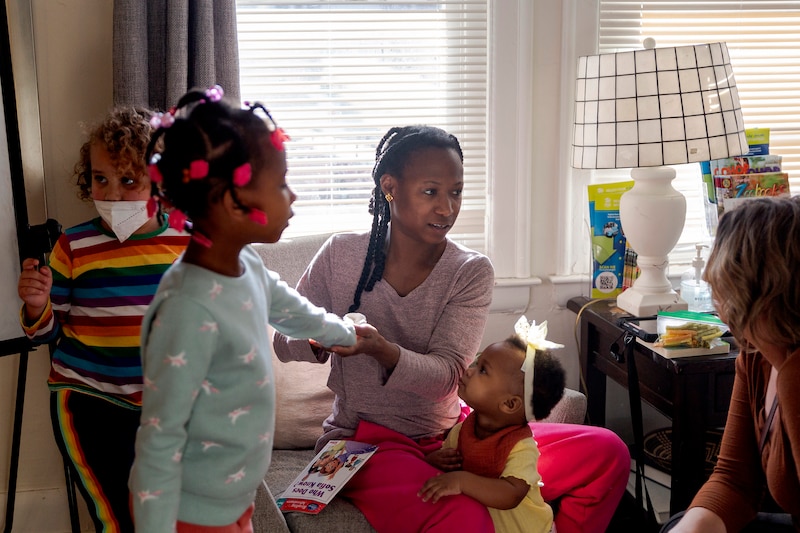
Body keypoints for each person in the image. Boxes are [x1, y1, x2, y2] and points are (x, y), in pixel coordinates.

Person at [272, 124, 630, 533]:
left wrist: (382, 350)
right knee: (464, 516)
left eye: (455, 192)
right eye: (431, 192)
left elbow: (446, 378)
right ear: (390, 187)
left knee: (608, 452)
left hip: (457, 436)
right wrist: (321, 339)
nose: (447, 208)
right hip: (365, 444)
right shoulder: (340, 256)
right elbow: (285, 343)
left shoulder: (469, 271)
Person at [127, 86, 358, 533]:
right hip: (190, 515)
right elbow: (160, 437)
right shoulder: (187, 308)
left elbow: (288, 307)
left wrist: (342, 334)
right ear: (234, 202)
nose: (293, 197)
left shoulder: (244, 262)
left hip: (236, 499)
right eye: (281, 185)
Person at [16, 106, 189, 533]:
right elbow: (48, 328)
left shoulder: (189, 242)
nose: (111, 194)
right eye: (100, 178)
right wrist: (37, 306)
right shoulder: (75, 245)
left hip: (167, 405)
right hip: (88, 401)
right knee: (115, 518)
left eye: (128, 180)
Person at [660, 196, 800, 533]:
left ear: (761, 290)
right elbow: (735, 479)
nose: (711, 289)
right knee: (681, 523)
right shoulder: (756, 356)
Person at [419, 318, 567, 533]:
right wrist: (435, 461)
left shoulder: (521, 446)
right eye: (477, 363)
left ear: (509, 404)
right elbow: (449, 461)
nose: (469, 370)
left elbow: (511, 494)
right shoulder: (463, 429)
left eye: (483, 370)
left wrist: (461, 481)